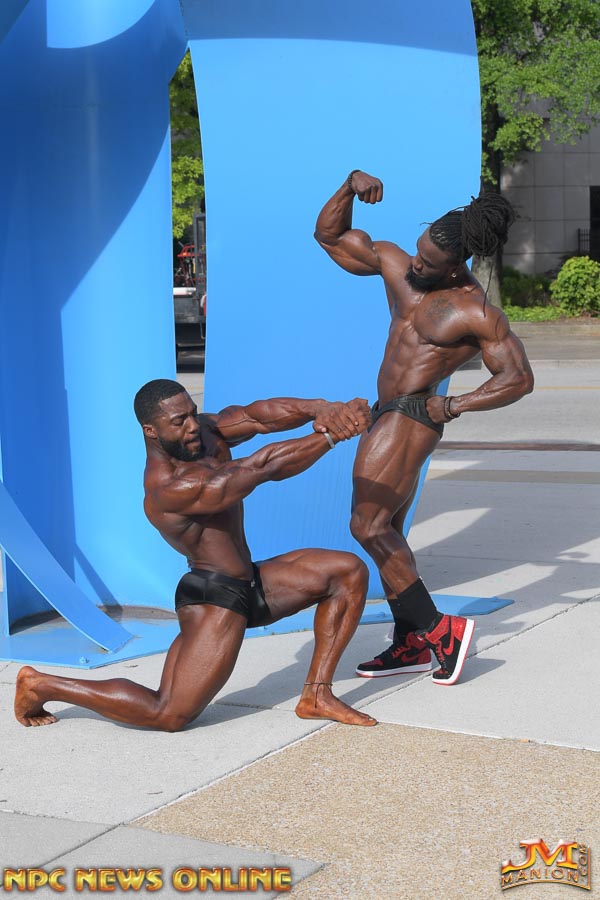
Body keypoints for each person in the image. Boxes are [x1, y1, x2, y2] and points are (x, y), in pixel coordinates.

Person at [14, 380, 378, 730]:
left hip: (251, 581)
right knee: (168, 713)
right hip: (214, 597)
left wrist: (324, 409)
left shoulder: (202, 432)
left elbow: (257, 416)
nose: (192, 426)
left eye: (192, 412)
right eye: (179, 421)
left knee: (347, 572)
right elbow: (259, 468)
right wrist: (332, 434)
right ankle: (42, 685)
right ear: (151, 431)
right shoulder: (167, 488)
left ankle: (316, 695)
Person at [314, 170, 534, 685]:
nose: (417, 263)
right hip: (386, 408)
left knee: (366, 526)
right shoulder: (399, 267)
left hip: (413, 414)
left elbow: (518, 378)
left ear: (455, 266)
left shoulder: (474, 311)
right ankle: (410, 640)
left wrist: (454, 405)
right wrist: (347, 187)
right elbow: (329, 237)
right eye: (418, 252)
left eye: (429, 262)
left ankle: (440, 630)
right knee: (384, 530)